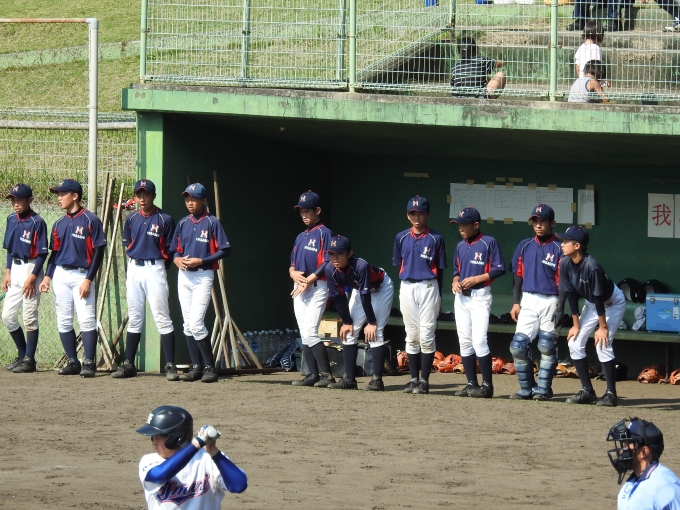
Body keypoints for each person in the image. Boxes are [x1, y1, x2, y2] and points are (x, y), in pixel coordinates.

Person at [112, 179, 178, 381]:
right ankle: (129, 364)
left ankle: (170, 365)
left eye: (146, 194)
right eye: (139, 195)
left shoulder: (165, 219)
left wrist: (160, 267)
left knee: (162, 316)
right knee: (134, 316)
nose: (142, 198)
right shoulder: (132, 218)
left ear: (153, 196)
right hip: (134, 267)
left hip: (154, 268)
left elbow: (171, 249)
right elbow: (127, 245)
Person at [39, 179, 106, 378]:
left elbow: (99, 252)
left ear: (75, 196)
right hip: (61, 274)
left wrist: (89, 280)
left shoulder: (90, 220)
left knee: (86, 319)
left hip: (82, 275)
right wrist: (47, 277)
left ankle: (89, 362)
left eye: (62, 194)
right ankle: (73, 361)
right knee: (63, 320)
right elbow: (54, 254)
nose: (59, 198)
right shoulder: (59, 223)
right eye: (58, 194)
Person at [553, 225, 625, 407]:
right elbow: (570, 294)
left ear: (577, 245)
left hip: (612, 303)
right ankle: (588, 391)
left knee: (602, 343)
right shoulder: (565, 263)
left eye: (566, 241)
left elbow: (599, 298)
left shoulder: (592, 266)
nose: (562, 244)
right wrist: (576, 324)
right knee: (574, 342)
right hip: (592, 304)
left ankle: (611, 395)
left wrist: (602, 327)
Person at [171, 183, 231, 383]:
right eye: (187, 199)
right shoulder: (183, 223)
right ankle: (196, 367)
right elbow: (175, 249)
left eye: (194, 199)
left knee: (196, 323)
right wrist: (176, 259)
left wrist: (202, 260)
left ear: (204, 200)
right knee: (187, 325)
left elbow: (225, 250)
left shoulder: (212, 222)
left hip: (203, 275)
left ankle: (210, 367)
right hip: (184, 275)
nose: (190, 202)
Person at [137, 405, 247, 509]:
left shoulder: (208, 458)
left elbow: (238, 485)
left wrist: (213, 450)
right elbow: (160, 475)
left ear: (176, 439)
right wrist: (197, 443)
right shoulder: (149, 461)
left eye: (157, 438)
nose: (153, 443)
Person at [324, 235, 394, 391]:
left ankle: (377, 381)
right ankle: (349, 379)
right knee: (349, 332)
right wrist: (346, 322)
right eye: (331, 253)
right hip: (359, 291)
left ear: (349, 253)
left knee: (376, 332)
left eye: (339, 253)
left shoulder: (360, 266)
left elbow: (365, 296)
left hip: (381, 289)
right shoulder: (329, 269)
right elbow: (338, 297)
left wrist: (371, 322)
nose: (335, 257)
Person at [392, 195, 447, 395]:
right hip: (407, 286)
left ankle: (424, 381)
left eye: (420, 213)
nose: (417, 217)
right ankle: (413, 379)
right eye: (413, 213)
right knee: (411, 334)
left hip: (429, 286)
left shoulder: (436, 238)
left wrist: (439, 296)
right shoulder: (401, 237)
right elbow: (399, 264)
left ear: (428, 215)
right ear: (408, 215)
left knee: (426, 334)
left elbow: (440, 270)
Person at [508, 204, 563, 401]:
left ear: (552, 223)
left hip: (551, 299)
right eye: (535, 221)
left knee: (547, 345)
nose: (538, 225)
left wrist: (561, 306)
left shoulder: (559, 247)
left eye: (542, 221)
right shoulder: (525, 245)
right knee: (518, 346)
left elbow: (564, 282)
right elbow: (518, 276)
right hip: (528, 299)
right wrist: (516, 302)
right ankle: (526, 388)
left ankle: (543, 389)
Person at [451, 207, 506, 399]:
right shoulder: (460, 245)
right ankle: (471, 384)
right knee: (465, 340)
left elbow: (500, 269)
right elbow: (456, 271)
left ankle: (487, 386)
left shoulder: (488, 242)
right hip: (461, 297)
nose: (461, 228)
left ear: (476, 225)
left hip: (480, 295)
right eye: (459, 224)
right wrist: (455, 281)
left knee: (479, 340)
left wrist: (477, 279)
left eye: (464, 224)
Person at [289, 190, 336, 388]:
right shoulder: (301, 236)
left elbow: (328, 262)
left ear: (317, 210)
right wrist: (292, 273)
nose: (304, 215)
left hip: (317, 285)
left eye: (307, 211)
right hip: (300, 286)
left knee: (310, 330)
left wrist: (309, 279)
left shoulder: (325, 232)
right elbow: (292, 263)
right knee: (304, 331)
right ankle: (312, 374)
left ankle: (327, 375)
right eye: (301, 211)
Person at [2, 183, 48, 373]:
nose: (15, 203)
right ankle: (23, 355)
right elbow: (10, 249)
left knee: (29, 316)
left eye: (19, 199)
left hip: (31, 268)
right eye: (13, 199)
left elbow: (42, 254)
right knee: (7, 316)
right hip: (15, 269)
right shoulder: (11, 219)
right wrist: (7, 272)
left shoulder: (37, 222)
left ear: (30, 200)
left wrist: (33, 277)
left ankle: (29, 360)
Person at [606, 417, 680, 507]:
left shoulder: (666, 487)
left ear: (644, 452)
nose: (621, 451)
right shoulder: (630, 484)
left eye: (626, 445)